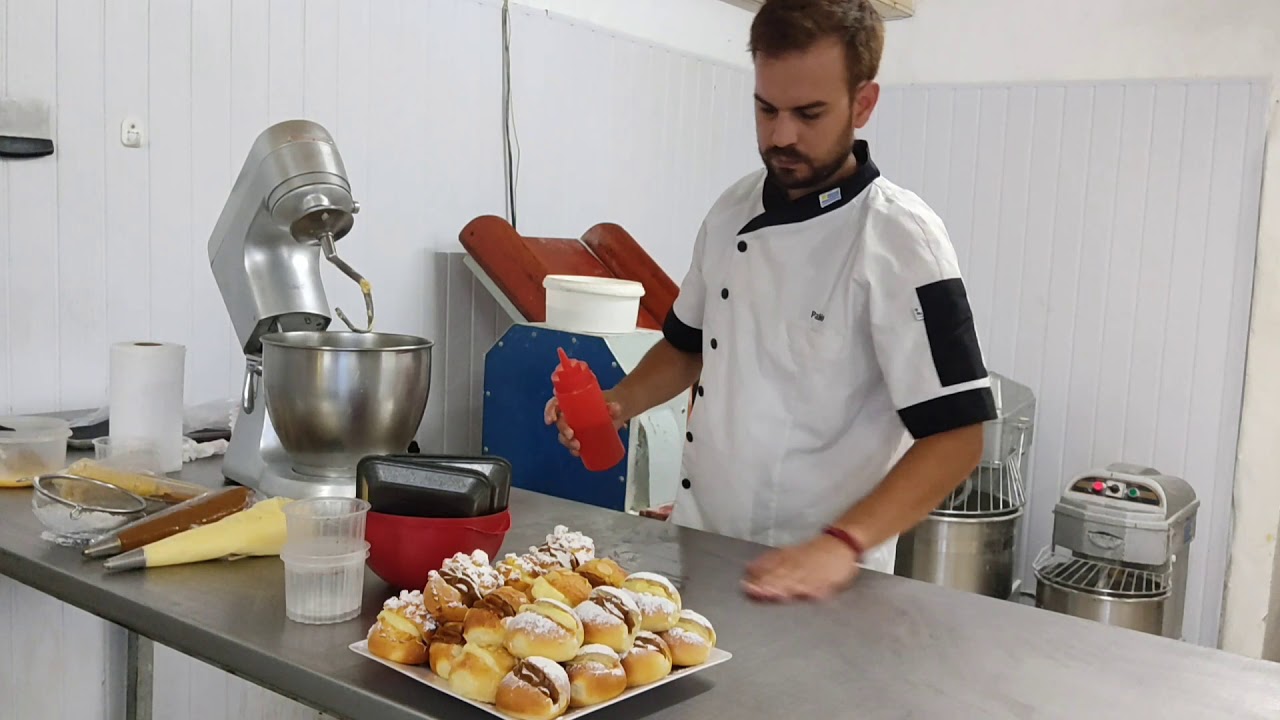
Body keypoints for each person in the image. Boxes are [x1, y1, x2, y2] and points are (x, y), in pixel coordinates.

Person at [545, 0, 997, 603]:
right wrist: (617, 403)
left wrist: (841, 544)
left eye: (809, 114)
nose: (781, 136)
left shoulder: (902, 242)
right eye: (766, 109)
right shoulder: (731, 210)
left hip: (823, 578)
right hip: (701, 547)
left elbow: (958, 436)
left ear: (863, 103)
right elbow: (687, 347)